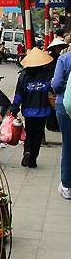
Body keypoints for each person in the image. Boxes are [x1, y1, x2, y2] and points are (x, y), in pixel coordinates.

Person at [10, 47, 53, 168]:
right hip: (43, 111)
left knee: (29, 133)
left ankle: (27, 151)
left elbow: (18, 95)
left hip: (28, 111)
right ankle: (33, 160)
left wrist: (14, 110)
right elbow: (53, 88)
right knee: (38, 134)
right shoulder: (47, 73)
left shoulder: (24, 75)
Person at [51, 47, 71, 199]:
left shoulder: (65, 59)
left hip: (64, 105)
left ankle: (67, 185)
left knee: (68, 145)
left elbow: (56, 85)